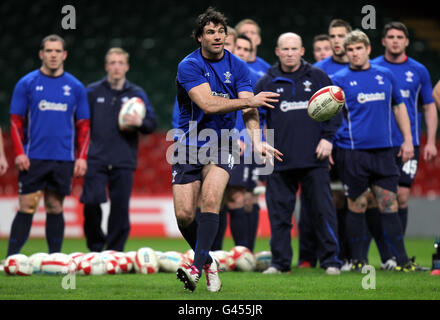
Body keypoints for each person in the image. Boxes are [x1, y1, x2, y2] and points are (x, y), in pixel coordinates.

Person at [173, 7, 282, 292]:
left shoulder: (239, 66)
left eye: (221, 31)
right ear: (200, 37)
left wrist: (257, 139)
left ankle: (196, 269)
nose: (217, 36)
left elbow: (250, 107)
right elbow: (208, 104)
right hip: (188, 142)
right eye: (211, 32)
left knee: (211, 201)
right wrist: (249, 101)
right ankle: (209, 262)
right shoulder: (189, 65)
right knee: (184, 215)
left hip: (222, 142)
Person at [332, 29, 421, 272]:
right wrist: (330, 141)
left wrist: (407, 140)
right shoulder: (338, 79)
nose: (354, 53)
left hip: (384, 151)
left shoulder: (386, 75)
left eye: (359, 48)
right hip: (353, 152)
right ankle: (358, 260)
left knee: (389, 203)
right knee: (357, 205)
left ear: (368, 49)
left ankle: (401, 261)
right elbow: (329, 116)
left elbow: (400, 108)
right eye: (350, 50)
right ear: (345, 52)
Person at [255, 32, 342, 275]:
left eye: (294, 49)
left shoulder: (317, 76)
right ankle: (280, 263)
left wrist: (328, 139)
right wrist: (261, 143)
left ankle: (331, 261)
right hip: (278, 160)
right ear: (277, 52)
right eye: (285, 49)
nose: (290, 53)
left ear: (302, 51)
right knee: (280, 216)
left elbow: (336, 111)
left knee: (322, 212)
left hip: (314, 159)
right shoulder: (266, 82)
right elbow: (255, 117)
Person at [6, 34, 90, 257]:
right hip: (33, 157)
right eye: (49, 51)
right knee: (27, 206)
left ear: (64, 55)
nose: (53, 55)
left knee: (55, 206)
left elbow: (84, 126)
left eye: (57, 51)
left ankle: (55, 260)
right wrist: (19, 153)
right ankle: (10, 259)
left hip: (63, 158)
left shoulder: (75, 87)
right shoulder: (26, 83)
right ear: (41, 54)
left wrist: (81, 157)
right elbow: (15, 122)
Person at [371, 22, 437, 269]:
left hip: (408, 143)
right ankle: (387, 255)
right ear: (384, 41)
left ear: (407, 41)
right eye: (391, 36)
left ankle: (395, 256)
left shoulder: (418, 70)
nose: (395, 40)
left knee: (402, 195)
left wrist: (429, 141)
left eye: (400, 37)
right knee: (379, 199)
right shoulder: (374, 68)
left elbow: (429, 106)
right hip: (380, 144)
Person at [80, 47, 157, 252]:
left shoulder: (136, 94)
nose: (116, 67)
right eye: (112, 63)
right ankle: (95, 248)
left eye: (120, 63)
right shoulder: (92, 92)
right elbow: (80, 124)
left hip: (123, 159)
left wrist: (140, 122)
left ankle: (114, 252)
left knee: (120, 208)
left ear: (127, 67)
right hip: (95, 158)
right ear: (106, 66)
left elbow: (151, 125)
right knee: (91, 203)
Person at [299, 19, 352, 270]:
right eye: (333, 35)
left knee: (351, 200)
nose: (337, 40)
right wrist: (325, 140)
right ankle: (309, 256)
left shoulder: (364, 68)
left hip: (351, 147)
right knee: (315, 201)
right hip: (322, 146)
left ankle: (349, 255)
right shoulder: (318, 71)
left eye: (342, 35)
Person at [213, 34, 263, 252]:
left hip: (240, 146)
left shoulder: (249, 74)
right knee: (214, 198)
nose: (238, 51)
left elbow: (251, 110)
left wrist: (242, 138)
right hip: (212, 142)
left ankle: (242, 252)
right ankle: (212, 255)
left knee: (238, 196)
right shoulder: (208, 74)